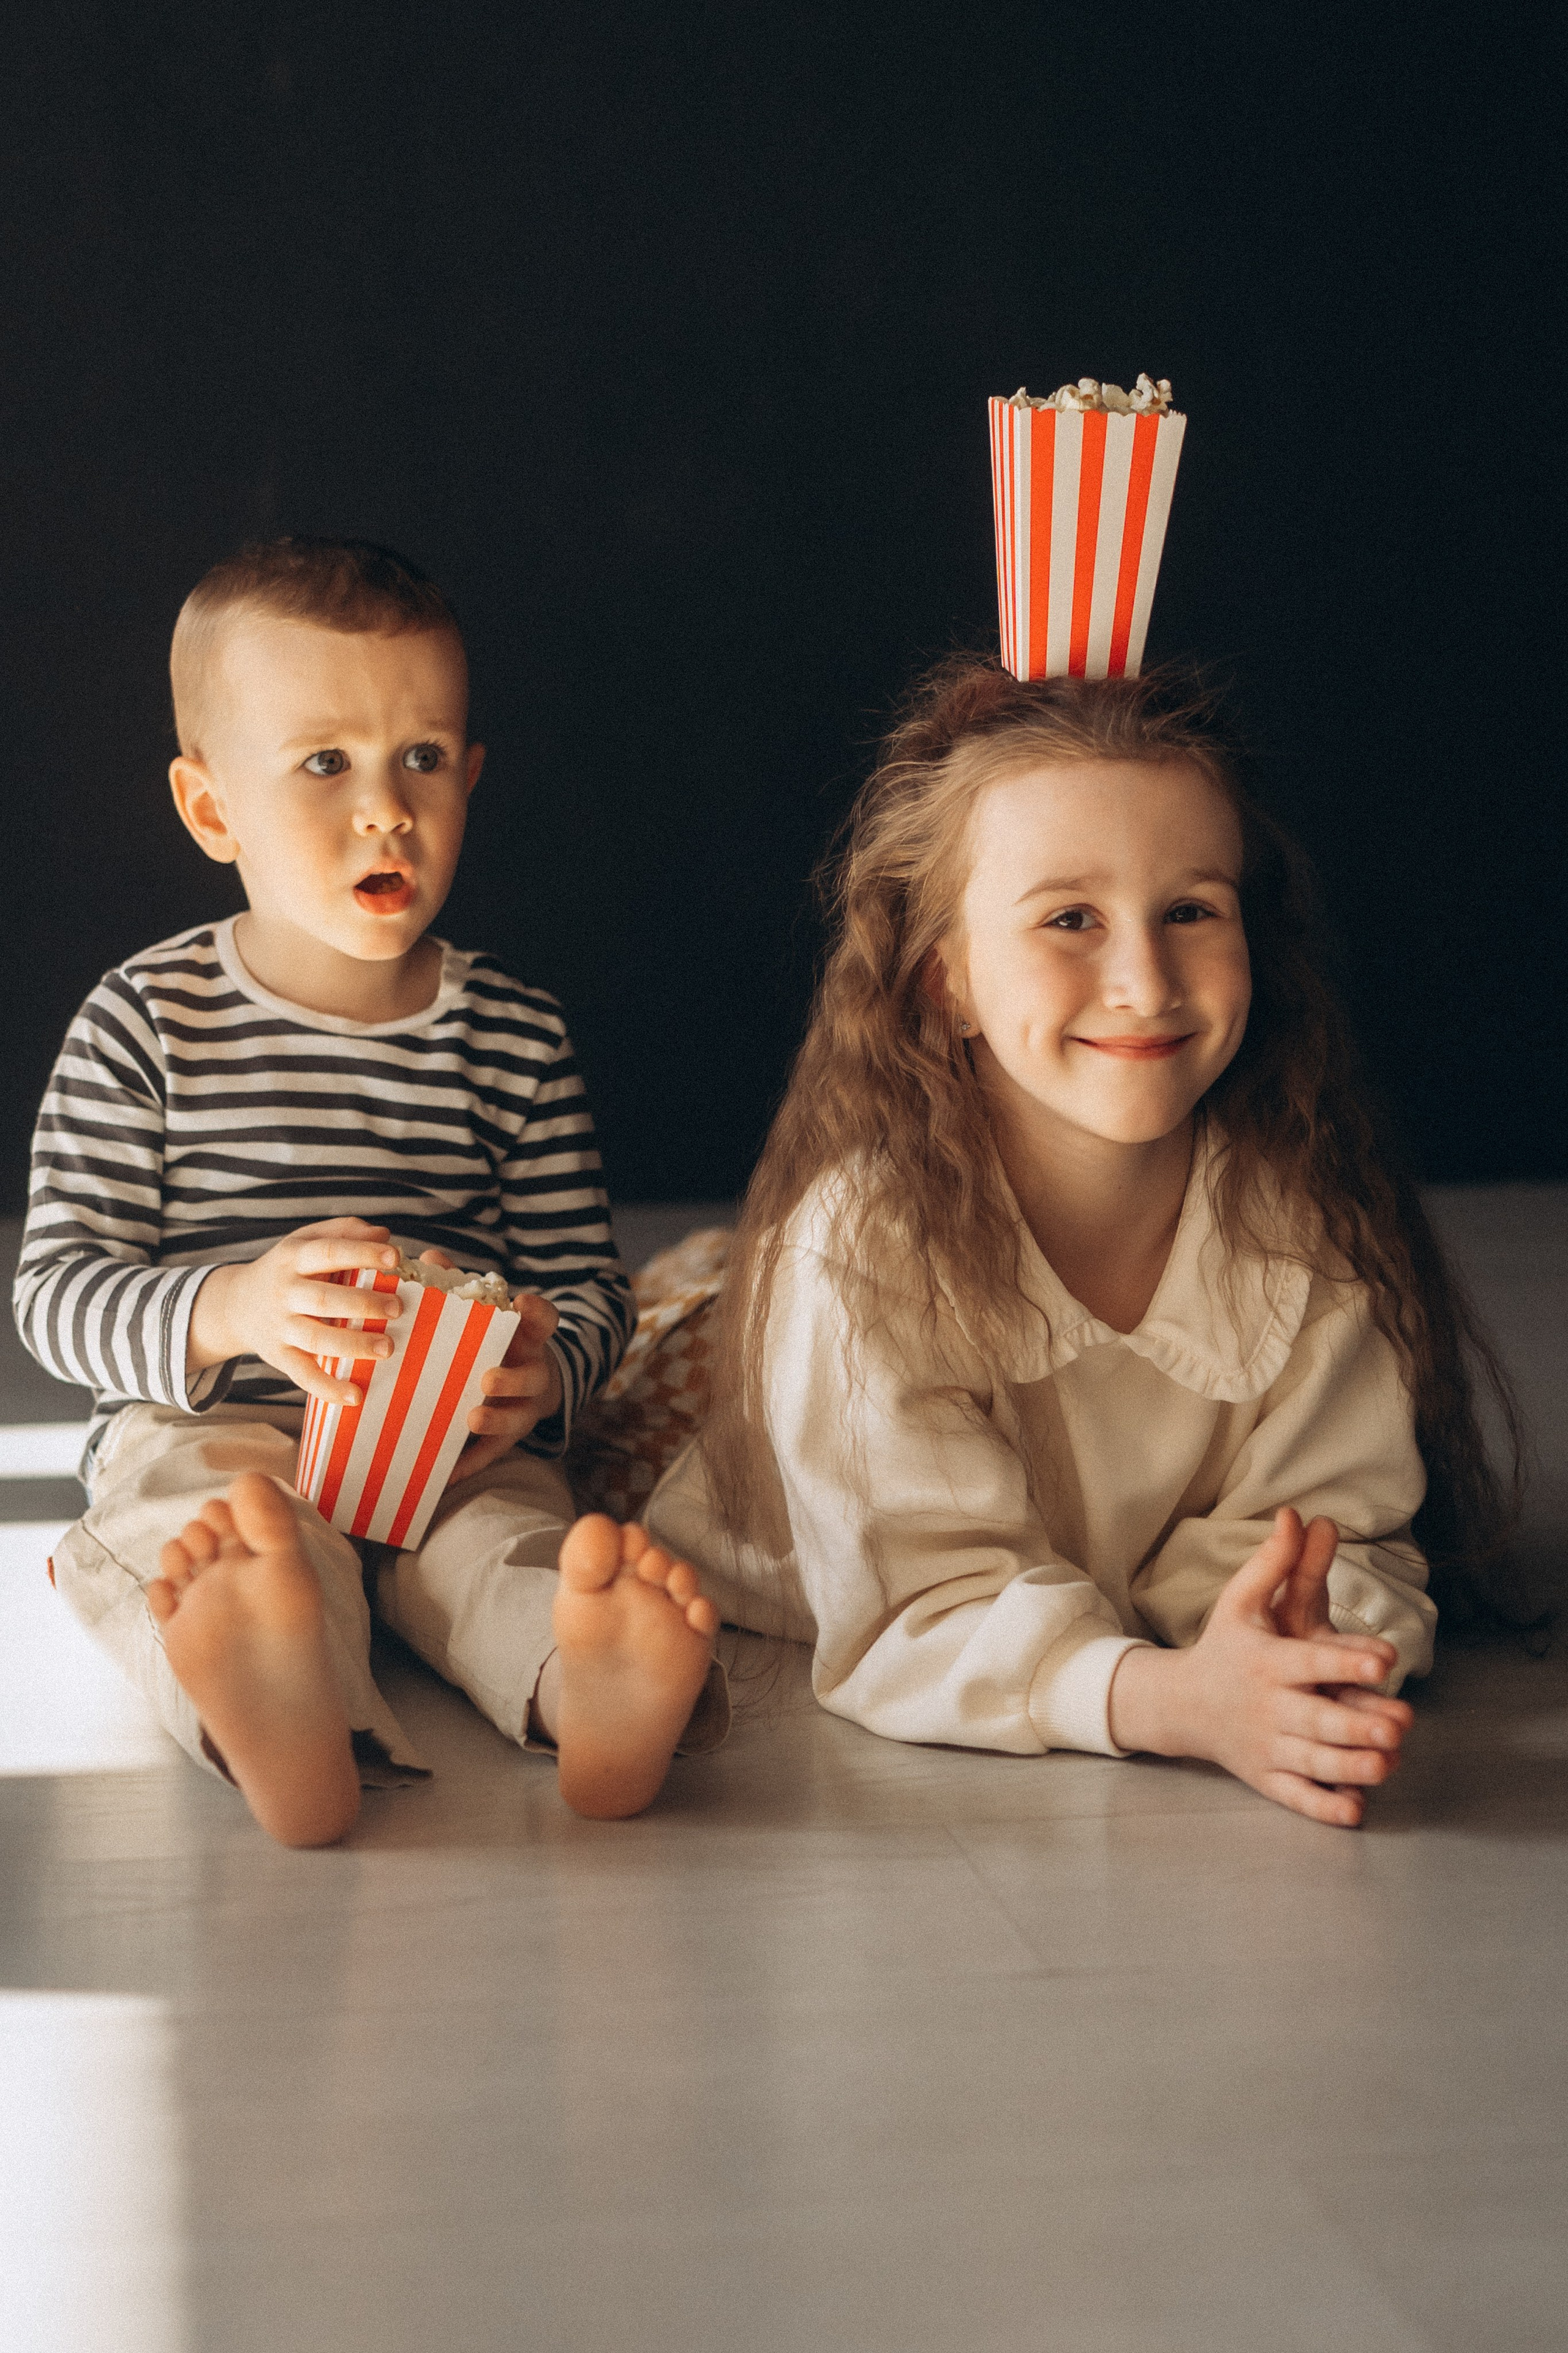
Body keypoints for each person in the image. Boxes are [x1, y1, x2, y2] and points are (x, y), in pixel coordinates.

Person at [647, 657, 1519, 1827]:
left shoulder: (1302, 1225)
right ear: (943, 978)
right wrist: (1166, 1699)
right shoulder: (857, 1254)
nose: (1144, 980)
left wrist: (1290, 1634)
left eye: (1190, 911)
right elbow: (916, 1609)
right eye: (1070, 918)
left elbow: (1342, 1521)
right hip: (697, 1393)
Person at [17, 537, 723, 1845]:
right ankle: (279, 1700)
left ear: (471, 776)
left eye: (423, 759)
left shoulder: (512, 1033)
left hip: (450, 1440)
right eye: (324, 763)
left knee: (505, 1550)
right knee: (202, 1532)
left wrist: (543, 1368)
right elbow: (54, 1296)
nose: (385, 808)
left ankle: (593, 1690)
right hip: (221, 1423)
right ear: (212, 806)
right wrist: (232, 1306)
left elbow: (586, 1280)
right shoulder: (145, 1022)